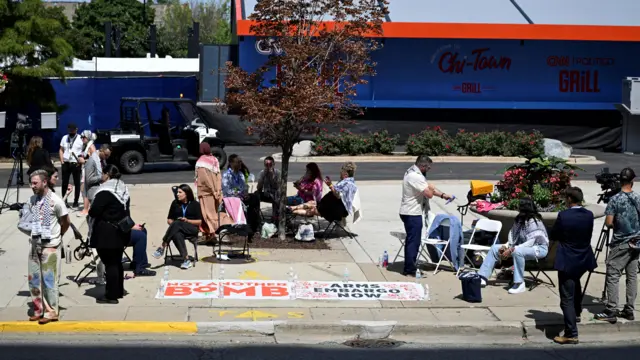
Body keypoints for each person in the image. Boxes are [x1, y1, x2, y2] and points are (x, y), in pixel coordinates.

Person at [551, 187, 597, 345]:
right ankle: (576, 312)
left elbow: (554, 234)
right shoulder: (589, 215)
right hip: (584, 258)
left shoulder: (564, 216)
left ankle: (571, 333)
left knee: (566, 298)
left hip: (568, 259)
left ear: (569, 199)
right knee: (575, 284)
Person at [478, 197, 550, 294]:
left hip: (538, 249)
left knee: (517, 252)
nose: (517, 207)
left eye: (519, 205)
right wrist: (506, 245)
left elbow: (531, 242)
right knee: (495, 248)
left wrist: (512, 249)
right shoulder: (519, 219)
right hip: (519, 248)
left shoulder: (534, 221)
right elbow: (512, 235)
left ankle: (519, 283)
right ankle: (482, 277)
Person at [595, 167, 640, 323]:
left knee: (613, 274)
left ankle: (611, 309)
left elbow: (608, 223)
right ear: (632, 182)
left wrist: (616, 224)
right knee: (632, 276)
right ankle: (629, 309)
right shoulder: (638, 198)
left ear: (621, 181)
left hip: (621, 243)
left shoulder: (615, 199)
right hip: (637, 242)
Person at [27, 170, 70, 324]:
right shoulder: (32, 200)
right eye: (31, 183)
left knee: (49, 280)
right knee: (34, 279)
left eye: (35, 183)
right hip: (34, 244)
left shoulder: (56, 201)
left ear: (44, 182)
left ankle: (51, 311)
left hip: (50, 245)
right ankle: (38, 309)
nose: (32, 186)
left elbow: (66, 221)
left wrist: (58, 236)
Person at [399, 156, 452, 276]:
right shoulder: (415, 176)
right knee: (414, 241)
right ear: (422, 166)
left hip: (409, 212)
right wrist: (432, 188)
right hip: (412, 213)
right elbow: (428, 193)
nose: (429, 170)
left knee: (412, 240)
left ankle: (410, 265)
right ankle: (410, 269)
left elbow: (425, 187)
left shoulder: (412, 171)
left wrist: (443, 195)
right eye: (428, 167)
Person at [89, 165, 131, 304]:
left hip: (107, 232)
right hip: (121, 230)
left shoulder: (104, 191)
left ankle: (111, 295)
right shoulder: (122, 187)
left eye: (102, 173)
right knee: (116, 262)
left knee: (110, 264)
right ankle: (118, 290)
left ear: (107, 174)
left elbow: (94, 211)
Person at [288, 161, 357, 223]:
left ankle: (290, 210)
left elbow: (338, 195)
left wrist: (330, 185)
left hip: (334, 210)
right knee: (311, 203)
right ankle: (291, 209)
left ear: (345, 174)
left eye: (341, 172)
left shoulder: (348, 184)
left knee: (312, 210)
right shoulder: (346, 182)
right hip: (328, 205)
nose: (340, 173)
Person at [152, 184, 202, 269]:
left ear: (186, 194)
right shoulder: (175, 203)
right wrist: (174, 224)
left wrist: (187, 220)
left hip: (191, 228)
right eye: (177, 192)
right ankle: (186, 260)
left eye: (180, 192)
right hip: (177, 228)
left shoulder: (195, 204)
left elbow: (199, 222)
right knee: (176, 233)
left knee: (177, 223)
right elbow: (169, 219)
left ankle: (163, 245)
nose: (177, 194)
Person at [222, 154, 261, 236]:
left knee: (255, 198)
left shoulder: (240, 174)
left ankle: (254, 225)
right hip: (231, 198)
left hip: (241, 196)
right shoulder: (226, 175)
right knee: (244, 202)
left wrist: (245, 193)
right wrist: (238, 193)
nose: (240, 164)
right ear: (232, 163)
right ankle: (247, 225)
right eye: (238, 162)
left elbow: (243, 186)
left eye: (240, 162)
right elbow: (226, 190)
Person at [195, 142, 222, 242]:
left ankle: (212, 234)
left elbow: (204, 179)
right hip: (216, 192)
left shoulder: (201, 162)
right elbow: (219, 175)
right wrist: (218, 190)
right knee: (214, 212)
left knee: (207, 213)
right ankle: (210, 233)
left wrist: (212, 189)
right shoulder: (214, 160)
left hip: (205, 192)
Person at [59, 123, 83, 208]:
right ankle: (64, 201)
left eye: (72, 130)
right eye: (69, 129)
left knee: (77, 183)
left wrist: (81, 159)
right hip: (66, 162)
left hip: (76, 163)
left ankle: (76, 201)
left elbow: (84, 151)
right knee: (64, 183)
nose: (71, 131)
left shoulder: (80, 138)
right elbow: (61, 150)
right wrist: (62, 161)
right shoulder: (64, 138)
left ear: (76, 129)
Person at [77, 133, 100, 217]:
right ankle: (87, 207)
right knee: (84, 189)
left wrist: (84, 161)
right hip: (84, 169)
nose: (82, 138)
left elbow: (95, 160)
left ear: (88, 138)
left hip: (88, 170)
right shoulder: (86, 146)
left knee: (84, 189)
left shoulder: (91, 147)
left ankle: (86, 209)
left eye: (84, 137)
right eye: (81, 137)